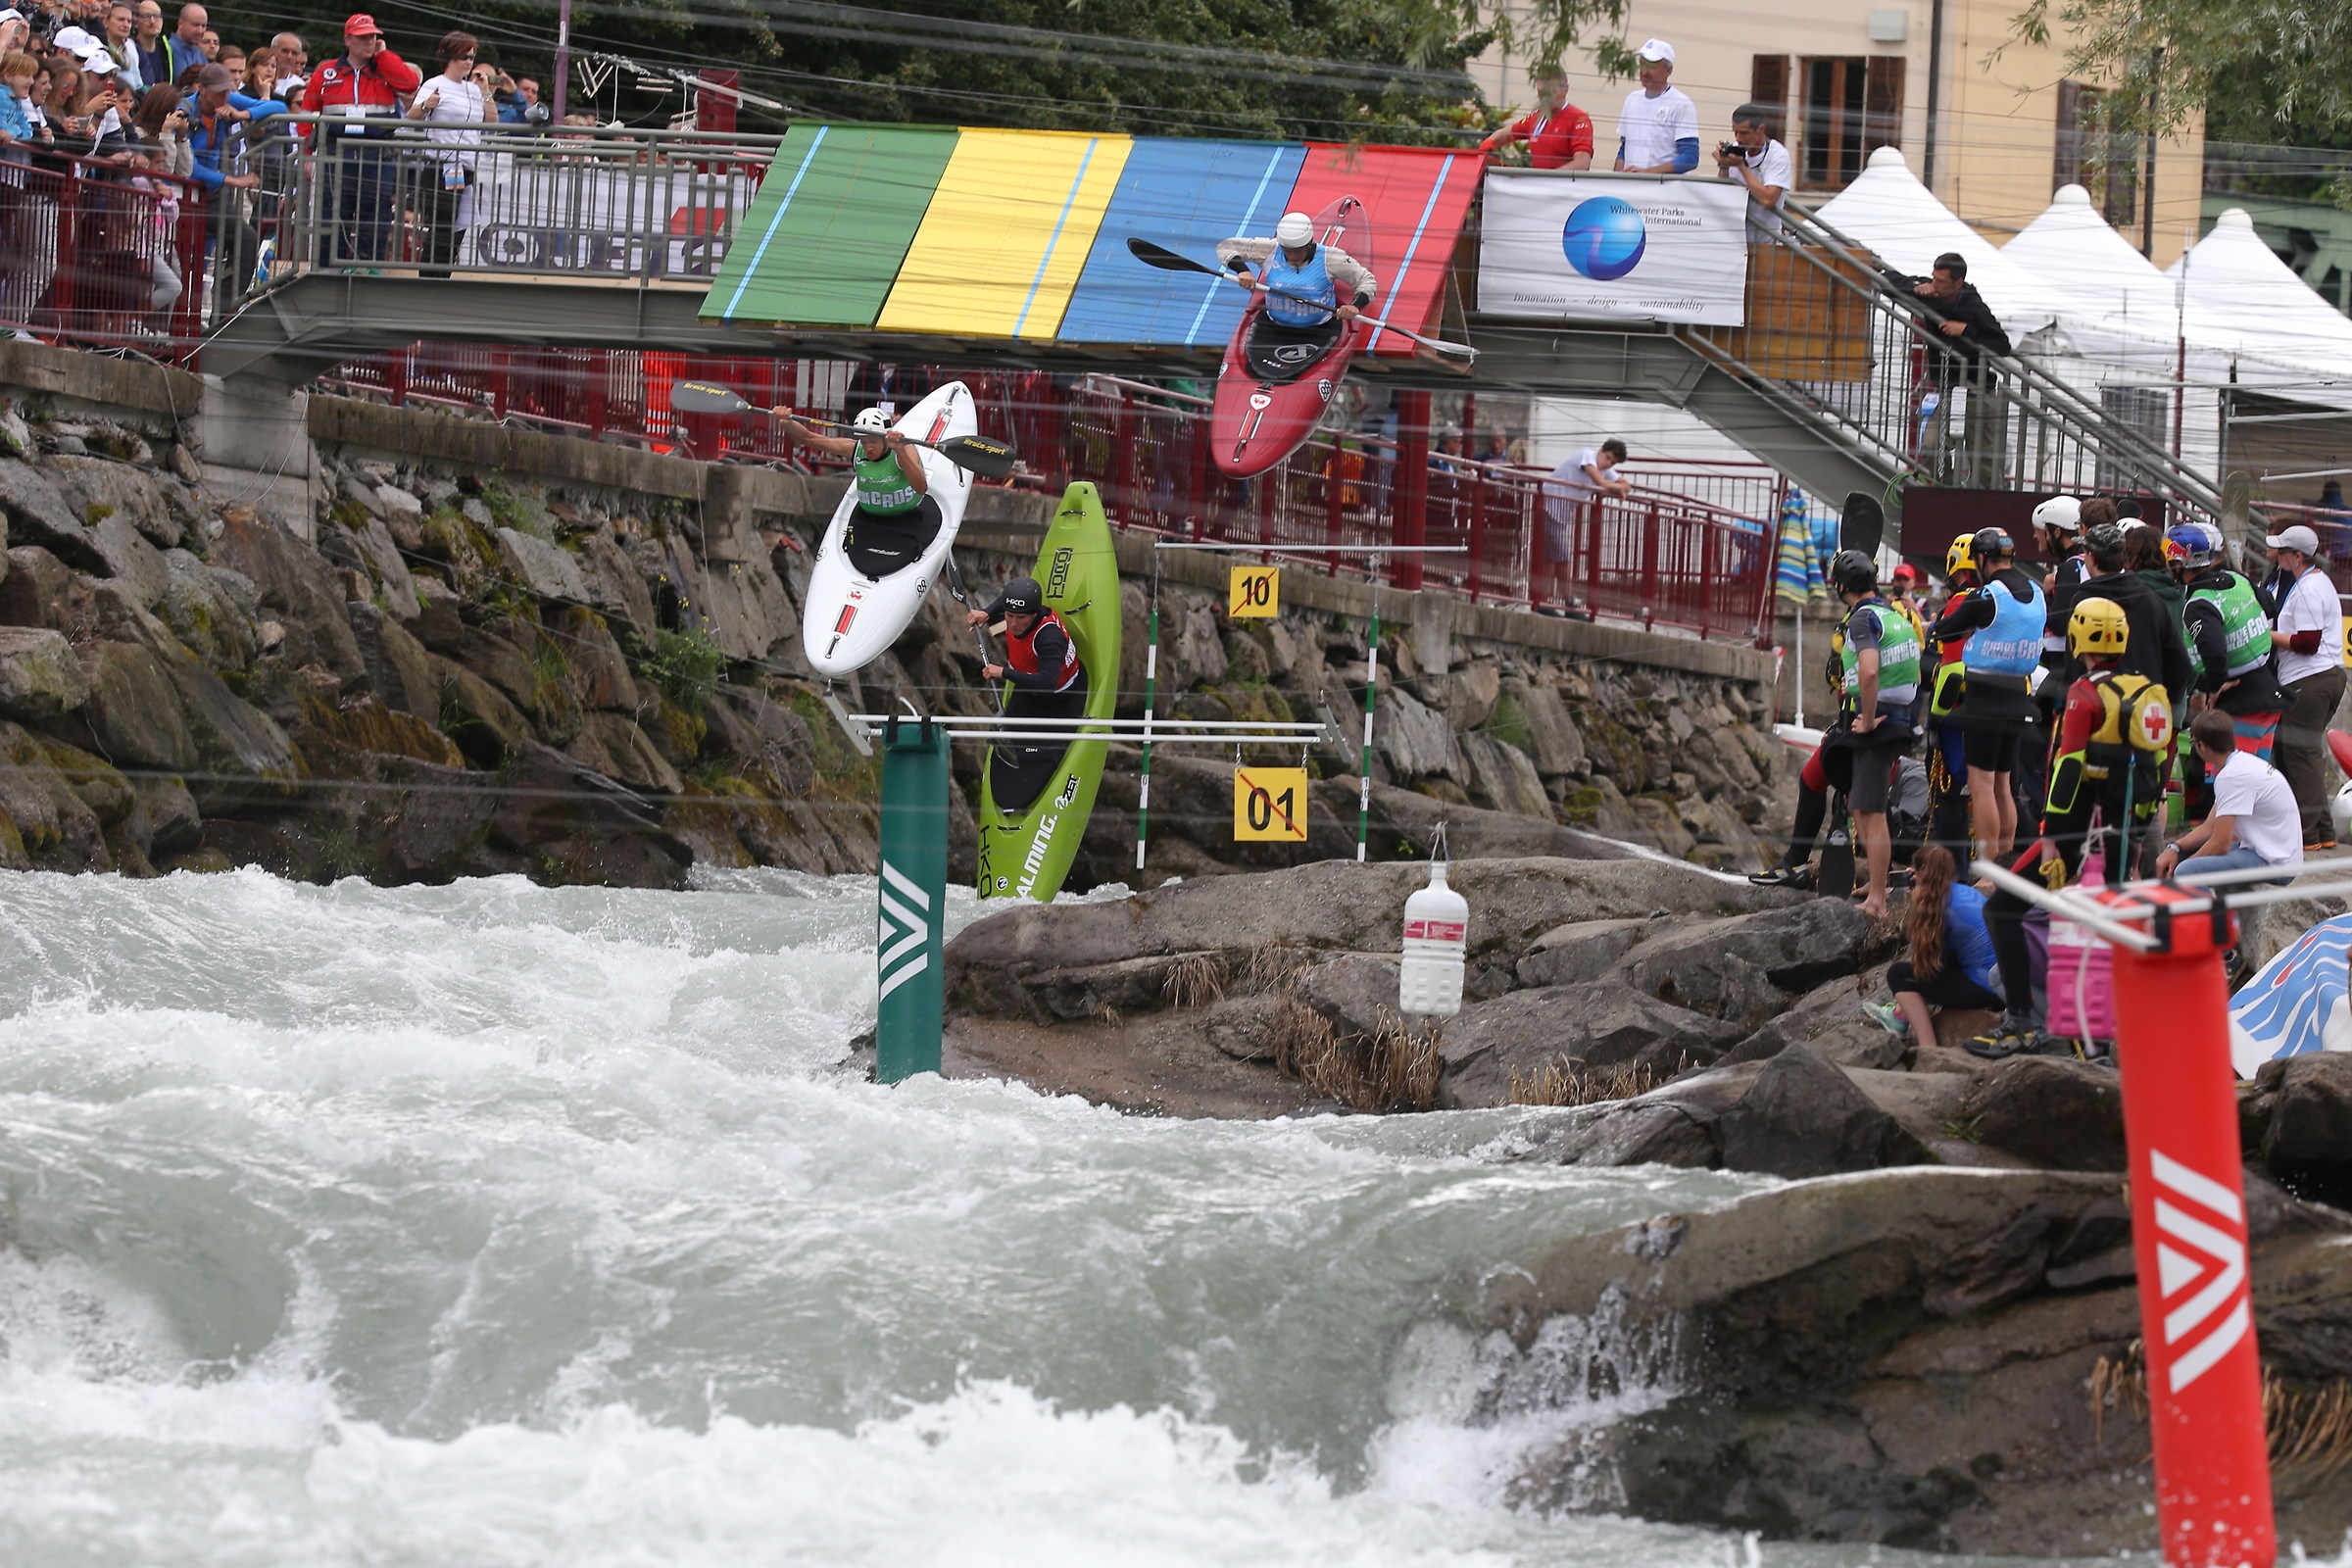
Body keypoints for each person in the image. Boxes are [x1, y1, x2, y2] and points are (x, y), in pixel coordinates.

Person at [1930, 525, 2043, 864]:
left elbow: (1943, 631)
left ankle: (1988, 866)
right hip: (2019, 699)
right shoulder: (2036, 590)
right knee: (2004, 786)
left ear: (1981, 558)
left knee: (1981, 785)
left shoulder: (1987, 595)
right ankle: (2006, 862)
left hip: (1983, 701)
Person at [2169, 525, 2288, 825]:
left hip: (2241, 704)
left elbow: (2213, 650)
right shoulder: (2237, 578)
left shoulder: (2198, 603)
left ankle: (2223, 847)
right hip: (2266, 691)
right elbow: (2269, 607)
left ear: (2179, 563)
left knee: (2231, 783)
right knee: (2255, 781)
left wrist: (2213, 684)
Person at [1827, 546, 1921, 918]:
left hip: (1878, 721)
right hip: (1899, 716)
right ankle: (1875, 882)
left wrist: (1867, 719)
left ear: (1841, 585)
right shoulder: (1893, 614)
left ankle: (1878, 898)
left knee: (1871, 809)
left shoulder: (1862, 620)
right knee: (1858, 805)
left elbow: (1867, 672)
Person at [300, 14, 419, 265]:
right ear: (348, 40)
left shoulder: (385, 68)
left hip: (376, 154)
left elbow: (409, 85)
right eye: (363, 37)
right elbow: (306, 116)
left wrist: (384, 56)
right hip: (334, 153)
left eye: (374, 37)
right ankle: (326, 269)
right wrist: (306, 156)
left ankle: (368, 269)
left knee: (375, 215)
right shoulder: (326, 71)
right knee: (331, 215)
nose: (370, 42)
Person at [770, 405, 941, 577]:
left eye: (873, 441)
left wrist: (900, 452)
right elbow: (808, 438)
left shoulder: (905, 448)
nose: (868, 448)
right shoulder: (855, 449)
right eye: (864, 441)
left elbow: (921, 487)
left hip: (907, 518)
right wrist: (786, 421)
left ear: (885, 438)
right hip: (869, 520)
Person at [964, 573, 1088, 810]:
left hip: (1060, 697)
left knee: (1041, 753)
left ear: (1034, 613)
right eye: (1009, 616)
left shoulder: (1048, 638)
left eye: (1020, 618)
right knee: (1009, 739)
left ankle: (1035, 803)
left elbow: (1046, 684)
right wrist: (987, 613)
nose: (1012, 623)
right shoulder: (1016, 610)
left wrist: (1003, 672)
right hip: (1029, 688)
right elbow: (1005, 601)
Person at [1890, 253, 2011, 484]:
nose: (1935, 285)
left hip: (1977, 390)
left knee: (1982, 457)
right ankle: (1944, 489)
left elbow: (2002, 345)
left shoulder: (1973, 306)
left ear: (1958, 283)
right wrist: (1918, 287)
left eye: (1941, 282)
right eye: (1934, 279)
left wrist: (1967, 331)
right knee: (1931, 446)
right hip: (1946, 390)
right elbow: (1893, 281)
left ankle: (1987, 501)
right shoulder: (1931, 292)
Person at [1217, 211, 1376, 384]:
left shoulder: (1332, 258)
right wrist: (1243, 270)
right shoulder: (1269, 248)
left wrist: (1355, 306)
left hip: (1317, 331)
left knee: (1291, 378)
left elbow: (1366, 280)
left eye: (1297, 251)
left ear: (1308, 244)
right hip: (1272, 327)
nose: (1292, 257)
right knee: (1253, 372)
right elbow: (1226, 246)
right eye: (1287, 251)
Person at [1861, 846, 2002, 1038]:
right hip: (2009, 983)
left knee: (1899, 975)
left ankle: (1927, 1045)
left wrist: (1919, 902)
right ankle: (1900, 1015)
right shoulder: (1966, 892)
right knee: (1947, 953)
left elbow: (1921, 960)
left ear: (1917, 875)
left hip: (1990, 991)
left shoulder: (1938, 907)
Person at [2263, 521, 2346, 849]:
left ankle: (2307, 834)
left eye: (2282, 551)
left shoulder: (2310, 588)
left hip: (2310, 678)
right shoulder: (2311, 581)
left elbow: (2308, 642)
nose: (2278, 556)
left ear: (2296, 556)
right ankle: (2323, 833)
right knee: (2300, 752)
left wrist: (2264, 634)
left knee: (2301, 754)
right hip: (2315, 677)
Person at [2156, 709, 2305, 885]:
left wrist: (2181, 871)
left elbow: (2220, 844)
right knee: (2180, 859)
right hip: (2262, 852)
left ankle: (2213, 913)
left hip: (2276, 864)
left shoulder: (2232, 776)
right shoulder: (2241, 765)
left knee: (2185, 872)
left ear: (2201, 746)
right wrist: (2175, 847)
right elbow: (2210, 827)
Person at [405, 30, 493, 278]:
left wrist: (485, 91)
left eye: (472, 57)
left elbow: (492, 120)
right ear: (448, 57)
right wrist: (425, 106)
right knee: (443, 225)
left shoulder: (473, 90)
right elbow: (411, 117)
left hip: (466, 166)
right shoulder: (434, 84)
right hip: (442, 164)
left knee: (459, 227)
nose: (468, 62)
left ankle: (443, 275)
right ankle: (431, 276)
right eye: (463, 56)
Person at [1540, 438, 1628, 612]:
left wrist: (1620, 487)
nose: (1608, 464)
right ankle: (1560, 599)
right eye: (1608, 458)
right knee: (1562, 555)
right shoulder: (1586, 456)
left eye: (1612, 462)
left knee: (1552, 556)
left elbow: (1627, 485)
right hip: (1547, 507)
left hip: (1559, 514)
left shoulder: (1606, 470)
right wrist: (1616, 489)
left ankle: (1549, 599)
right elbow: (1599, 482)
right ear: (1601, 450)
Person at [1478, 67, 1592, 170]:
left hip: (1564, 187)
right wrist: (1489, 143)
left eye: (1552, 92)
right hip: (1538, 186)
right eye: (1541, 92)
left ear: (1565, 90)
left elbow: (1582, 163)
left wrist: (1549, 179)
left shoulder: (1579, 119)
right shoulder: (1536, 117)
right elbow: (1507, 134)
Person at [1612, 38, 1696, 173]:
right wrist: (1616, 180)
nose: (1644, 72)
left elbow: (1690, 158)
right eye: (1642, 64)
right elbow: (1624, 149)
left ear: (1668, 70)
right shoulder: (1632, 99)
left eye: (1651, 66)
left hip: (1663, 190)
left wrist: (1647, 173)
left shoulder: (1682, 104)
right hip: (1630, 186)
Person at [1714, 102, 1790, 236]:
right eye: (1735, 132)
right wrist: (1724, 165)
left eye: (1744, 133)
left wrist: (1741, 167)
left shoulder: (1778, 154)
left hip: (1765, 242)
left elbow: (1768, 200)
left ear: (1761, 129)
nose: (1738, 138)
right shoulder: (1735, 149)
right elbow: (1722, 192)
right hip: (1734, 239)